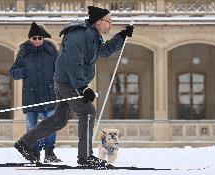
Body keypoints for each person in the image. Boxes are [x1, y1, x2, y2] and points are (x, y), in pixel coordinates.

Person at [14, 6, 134, 166]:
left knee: (59, 119)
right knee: (88, 111)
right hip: (68, 81)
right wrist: (83, 87)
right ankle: (85, 157)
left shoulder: (93, 35)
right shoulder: (80, 34)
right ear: (99, 21)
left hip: (68, 81)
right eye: (109, 22)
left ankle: (25, 143)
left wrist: (121, 36)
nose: (111, 25)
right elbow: (73, 62)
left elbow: (104, 52)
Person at [9, 22, 61, 163]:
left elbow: (60, 69)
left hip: (49, 95)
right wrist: (24, 71)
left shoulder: (51, 51)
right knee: (32, 127)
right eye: (34, 38)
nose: (37, 40)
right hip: (31, 96)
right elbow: (13, 72)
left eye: (39, 37)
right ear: (30, 39)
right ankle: (34, 153)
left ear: (43, 38)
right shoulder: (24, 52)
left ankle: (49, 153)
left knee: (50, 125)